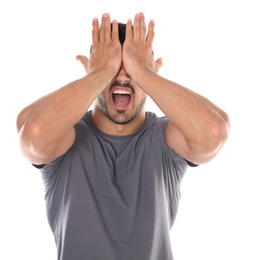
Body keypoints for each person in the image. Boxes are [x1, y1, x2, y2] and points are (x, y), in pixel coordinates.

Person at [16, 12, 230, 260]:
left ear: (150, 72)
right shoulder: (66, 136)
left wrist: (143, 72)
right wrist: (98, 74)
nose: (122, 77)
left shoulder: (166, 138)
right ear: (93, 71)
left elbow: (214, 131)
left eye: (132, 67)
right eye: (111, 67)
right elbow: (32, 133)